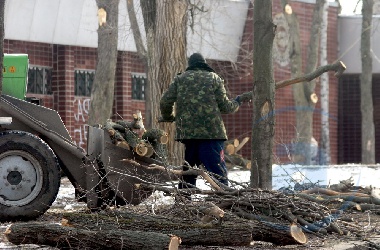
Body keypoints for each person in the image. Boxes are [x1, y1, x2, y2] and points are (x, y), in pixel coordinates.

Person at [159, 52, 243, 189]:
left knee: (188, 173)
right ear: (204, 63)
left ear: (190, 65)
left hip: (189, 135)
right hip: (212, 135)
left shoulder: (180, 79)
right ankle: (225, 201)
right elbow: (226, 107)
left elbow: (165, 101)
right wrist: (238, 101)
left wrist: (168, 117)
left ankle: (185, 202)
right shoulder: (214, 78)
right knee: (218, 173)